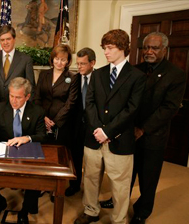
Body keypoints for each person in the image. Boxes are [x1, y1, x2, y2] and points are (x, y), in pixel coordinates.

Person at [73, 29, 146, 224]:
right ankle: (90, 210)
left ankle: (119, 219)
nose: (105, 52)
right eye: (104, 48)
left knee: (120, 185)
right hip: (94, 138)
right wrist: (98, 129)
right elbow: (89, 104)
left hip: (120, 139)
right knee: (90, 178)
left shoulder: (137, 76)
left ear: (122, 48)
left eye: (110, 48)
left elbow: (132, 109)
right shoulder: (98, 75)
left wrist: (108, 131)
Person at [129, 32, 187, 224]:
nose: (149, 51)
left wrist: (143, 129)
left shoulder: (176, 74)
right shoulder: (135, 69)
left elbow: (169, 108)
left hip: (154, 135)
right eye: (146, 47)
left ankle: (142, 212)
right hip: (130, 132)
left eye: (154, 48)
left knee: (148, 176)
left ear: (164, 49)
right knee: (126, 172)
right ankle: (118, 200)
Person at [0, 77, 46, 224]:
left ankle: (25, 210)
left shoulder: (37, 111)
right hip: (3, 152)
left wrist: (27, 138)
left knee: (37, 175)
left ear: (27, 97)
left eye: (18, 97)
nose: (13, 101)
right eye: (11, 96)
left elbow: (42, 135)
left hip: (26, 153)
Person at [0, 25, 35, 115]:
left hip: (18, 108)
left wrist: (25, 108)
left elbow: (31, 85)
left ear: (14, 39)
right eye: (2, 40)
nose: (5, 42)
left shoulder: (25, 60)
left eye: (8, 39)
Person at [34, 44, 79, 146]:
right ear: (52, 58)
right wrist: (43, 117)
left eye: (63, 60)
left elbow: (70, 103)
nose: (59, 63)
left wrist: (54, 122)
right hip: (41, 121)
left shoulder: (73, 78)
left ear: (68, 61)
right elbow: (37, 97)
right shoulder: (43, 74)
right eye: (57, 59)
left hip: (61, 124)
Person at [65, 47, 96, 197]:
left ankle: (90, 190)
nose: (79, 67)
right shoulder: (74, 79)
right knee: (75, 157)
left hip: (93, 126)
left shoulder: (99, 79)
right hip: (76, 126)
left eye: (83, 64)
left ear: (92, 63)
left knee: (91, 161)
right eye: (78, 64)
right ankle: (74, 185)